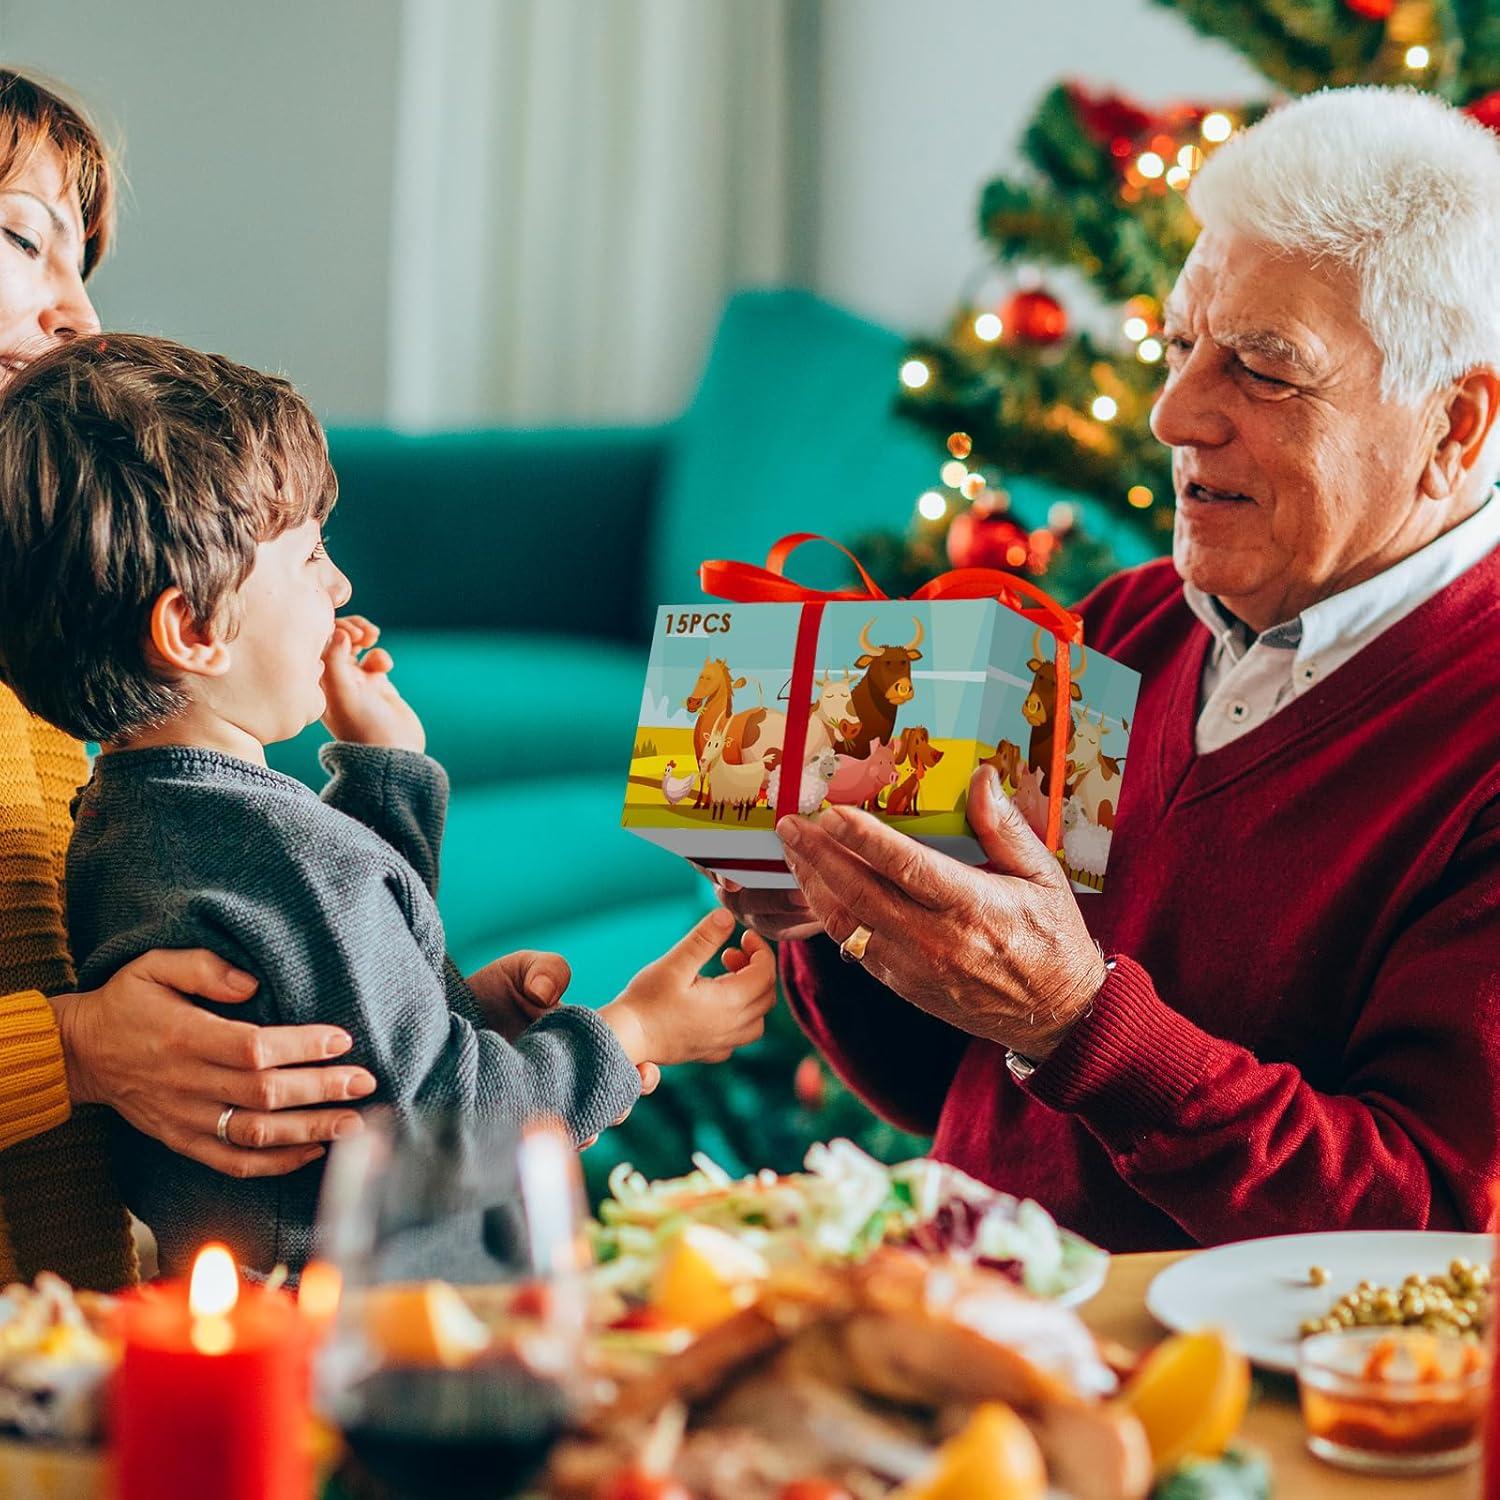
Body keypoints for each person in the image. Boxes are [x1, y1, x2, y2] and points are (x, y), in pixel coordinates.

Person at [719, 86, 1500, 1251]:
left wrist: (1078, 1020)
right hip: (972, 1319)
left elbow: (1427, 1228)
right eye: (1181, 346)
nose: (1176, 415)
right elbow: (962, 1091)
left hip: (1226, 1405)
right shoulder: (1130, 625)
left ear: (1454, 427)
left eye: (1264, 369)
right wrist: (843, 923)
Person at [0, 332, 777, 1277]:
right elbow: (438, 1128)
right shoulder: (283, 853)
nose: (340, 585)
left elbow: (350, 1016)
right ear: (196, 628)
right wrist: (634, 1031)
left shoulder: (125, 825)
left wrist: (387, 778)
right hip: (390, 1324)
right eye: (311, 555)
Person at [0, 68, 385, 1291]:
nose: (80, 316)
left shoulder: (60, 610)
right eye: (24, 239)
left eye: (85, 264)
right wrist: (75, 1050)